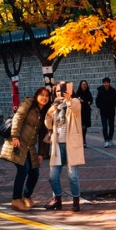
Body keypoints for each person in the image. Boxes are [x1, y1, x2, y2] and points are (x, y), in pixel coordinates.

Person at [0, 86, 51, 212]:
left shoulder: (45, 112)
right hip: (17, 142)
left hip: (30, 146)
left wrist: (41, 154)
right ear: (36, 95)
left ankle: (26, 197)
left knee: (35, 172)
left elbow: (44, 134)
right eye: (41, 95)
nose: (44, 98)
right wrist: (15, 136)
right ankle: (16, 200)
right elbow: (18, 118)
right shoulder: (29, 103)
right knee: (23, 169)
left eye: (46, 96)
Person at [44, 81, 85, 212]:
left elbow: (76, 109)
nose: (60, 94)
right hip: (57, 144)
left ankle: (76, 200)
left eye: (62, 91)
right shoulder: (55, 106)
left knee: (72, 176)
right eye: (57, 92)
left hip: (71, 144)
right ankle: (57, 199)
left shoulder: (74, 101)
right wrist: (49, 114)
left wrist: (68, 100)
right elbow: (48, 125)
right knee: (53, 176)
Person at [96, 77, 116, 148]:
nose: (106, 84)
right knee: (104, 126)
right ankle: (106, 140)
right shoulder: (100, 91)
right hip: (103, 111)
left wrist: (114, 105)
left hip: (111, 111)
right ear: (103, 83)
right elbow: (97, 100)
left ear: (109, 83)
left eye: (107, 82)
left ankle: (110, 138)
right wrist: (100, 106)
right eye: (104, 83)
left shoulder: (113, 90)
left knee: (111, 126)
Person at [74, 79, 93, 146]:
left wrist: (84, 101)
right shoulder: (78, 93)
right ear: (80, 85)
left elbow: (90, 101)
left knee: (84, 127)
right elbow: (76, 101)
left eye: (85, 84)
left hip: (86, 112)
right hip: (79, 112)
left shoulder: (88, 93)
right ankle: (80, 140)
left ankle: (83, 140)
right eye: (83, 84)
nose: (84, 86)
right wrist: (85, 102)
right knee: (79, 127)